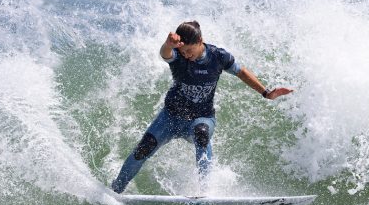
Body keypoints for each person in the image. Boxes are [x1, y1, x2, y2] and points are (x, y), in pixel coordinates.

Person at [110, 21, 293, 194]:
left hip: (201, 117)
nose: (186, 55)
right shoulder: (178, 58)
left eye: (189, 50)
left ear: (200, 41)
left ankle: (206, 194)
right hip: (170, 117)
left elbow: (241, 72)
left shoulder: (218, 56)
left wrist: (266, 92)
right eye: (182, 51)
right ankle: (115, 191)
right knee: (143, 148)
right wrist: (168, 44)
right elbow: (165, 54)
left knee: (201, 132)